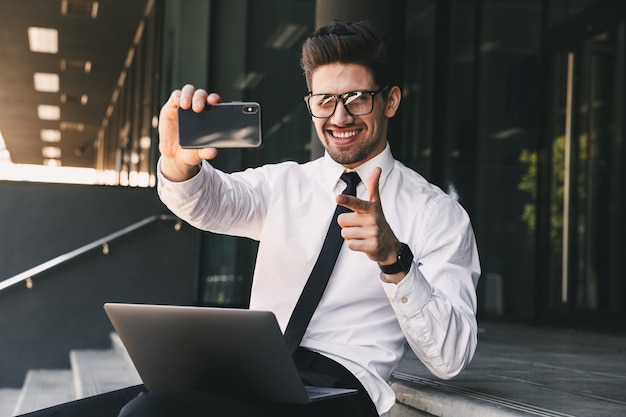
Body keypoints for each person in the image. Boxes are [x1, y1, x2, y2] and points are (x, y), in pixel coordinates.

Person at [21, 20, 479, 417]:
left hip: (341, 394)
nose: (340, 116)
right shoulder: (287, 183)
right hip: (252, 375)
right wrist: (180, 162)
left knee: (154, 411)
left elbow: (450, 357)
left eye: (357, 98)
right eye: (325, 101)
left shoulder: (436, 214)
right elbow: (208, 202)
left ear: (391, 100)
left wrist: (395, 261)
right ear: (310, 106)